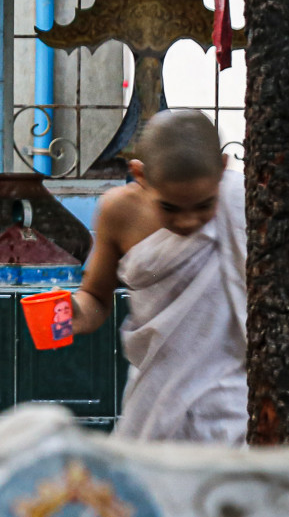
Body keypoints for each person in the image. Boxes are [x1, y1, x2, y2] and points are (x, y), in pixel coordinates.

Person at [70, 110, 247, 445]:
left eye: (203, 206)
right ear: (140, 175)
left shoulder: (243, 204)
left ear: (223, 169)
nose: (187, 221)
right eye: (170, 208)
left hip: (231, 402)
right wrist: (73, 313)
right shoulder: (119, 211)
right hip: (155, 398)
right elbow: (95, 297)